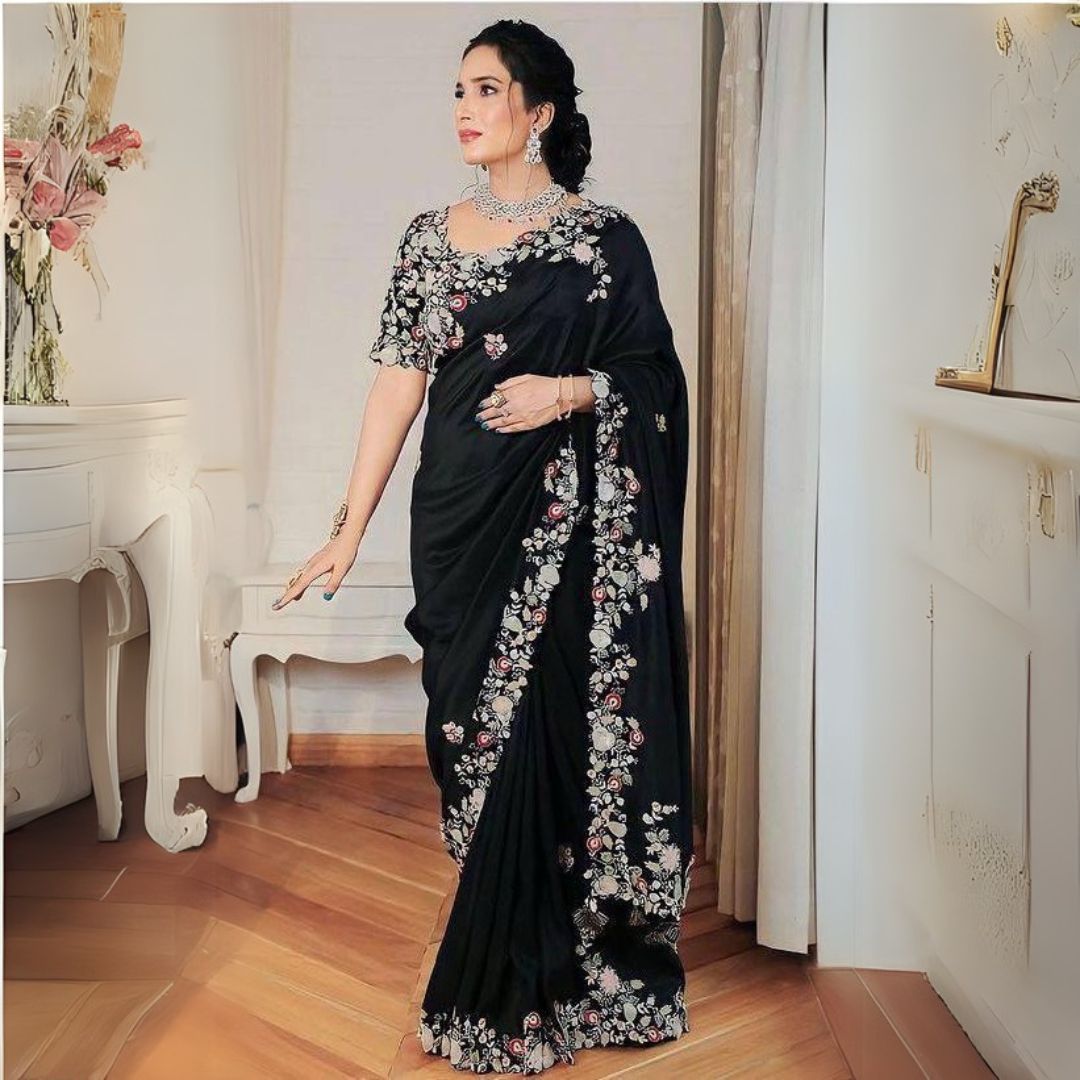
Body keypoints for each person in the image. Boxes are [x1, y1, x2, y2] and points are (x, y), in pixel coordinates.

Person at [273, 18, 694, 1074]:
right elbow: (397, 385)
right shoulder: (427, 237)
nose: (464, 107)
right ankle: (508, 943)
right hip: (457, 520)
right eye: (458, 89)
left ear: (539, 113)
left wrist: (569, 391)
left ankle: (509, 981)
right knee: (470, 731)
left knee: (538, 738)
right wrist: (346, 528)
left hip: (565, 528)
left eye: (487, 89)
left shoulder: (607, 240)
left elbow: (653, 379)